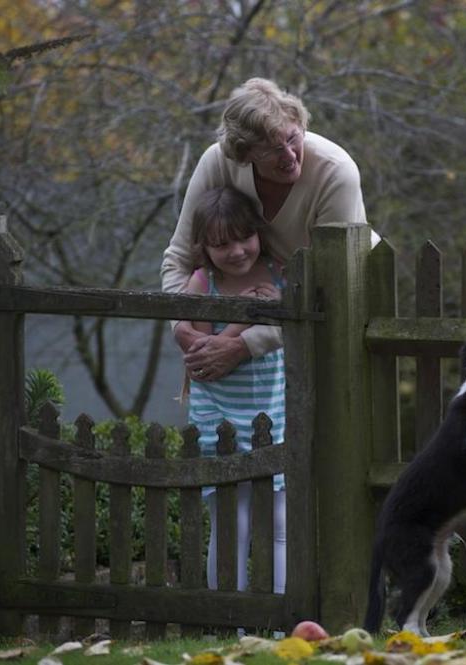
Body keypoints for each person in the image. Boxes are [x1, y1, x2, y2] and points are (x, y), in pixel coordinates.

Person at [162, 77, 376, 381]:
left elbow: (333, 290)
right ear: (245, 154)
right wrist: (182, 329)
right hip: (264, 317)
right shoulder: (218, 162)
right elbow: (180, 256)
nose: (289, 156)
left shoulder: (335, 172)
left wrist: (242, 346)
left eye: (292, 138)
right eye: (271, 150)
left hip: (333, 311)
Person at [181, 185, 287, 594]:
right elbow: (207, 353)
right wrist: (247, 314)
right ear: (204, 247)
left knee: (280, 525)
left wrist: (269, 305)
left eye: (245, 238)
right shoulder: (202, 282)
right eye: (222, 244)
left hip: (273, 416)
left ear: (258, 232)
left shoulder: (279, 272)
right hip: (218, 420)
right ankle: (231, 626)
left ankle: (280, 622)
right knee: (231, 525)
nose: (238, 251)